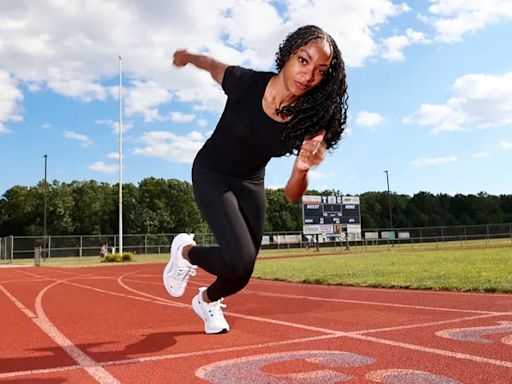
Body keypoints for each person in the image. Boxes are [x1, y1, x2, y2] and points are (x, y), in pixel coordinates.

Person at [163, 25, 348, 334]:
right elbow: (211, 65)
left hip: (250, 182)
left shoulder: (307, 120)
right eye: (303, 60)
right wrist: (187, 57)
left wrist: (302, 169)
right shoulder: (245, 83)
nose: (308, 75)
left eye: (320, 70)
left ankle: (207, 300)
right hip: (212, 171)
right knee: (238, 258)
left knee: (243, 270)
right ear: (288, 55)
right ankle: (184, 252)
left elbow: (292, 194)